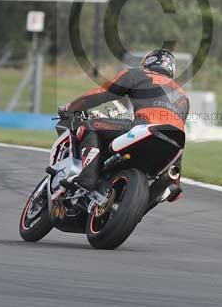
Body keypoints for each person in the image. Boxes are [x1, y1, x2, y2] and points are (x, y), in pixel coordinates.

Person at [59, 48, 189, 198]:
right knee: (168, 189)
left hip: (144, 128)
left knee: (89, 125)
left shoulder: (138, 74)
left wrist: (71, 107)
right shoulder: (183, 97)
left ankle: (85, 181)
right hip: (170, 149)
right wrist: (176, 181)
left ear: (149, 62)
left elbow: (101, 94)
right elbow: (179, 136)